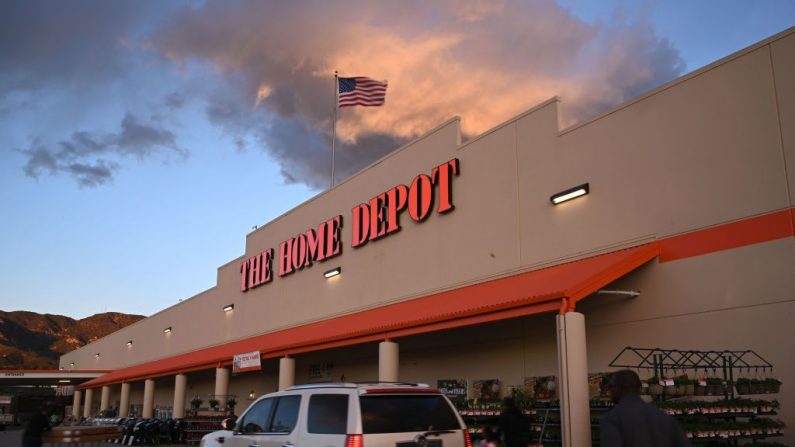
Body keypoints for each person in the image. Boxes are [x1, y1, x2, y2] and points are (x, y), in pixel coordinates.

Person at [600, 370, 691, 447]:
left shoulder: (613, 419)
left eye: (610, 387)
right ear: (639, 388)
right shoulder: (663, 417)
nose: (609, 391)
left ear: (618, 388)